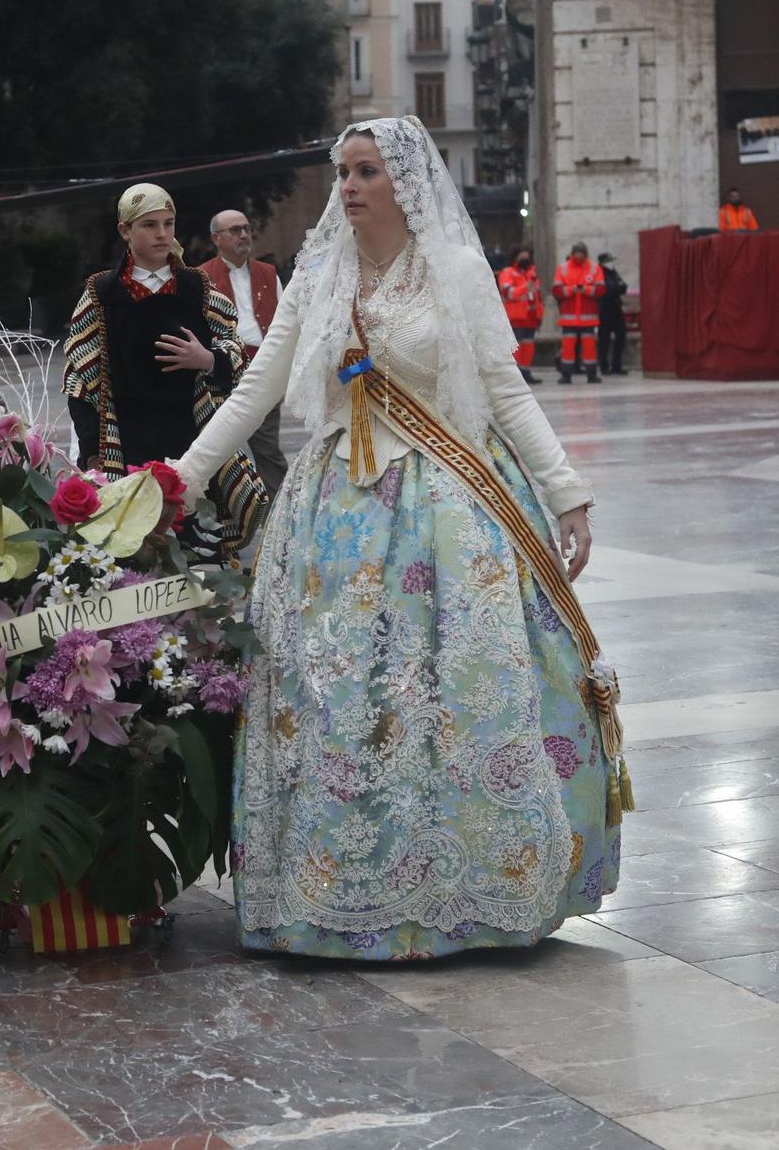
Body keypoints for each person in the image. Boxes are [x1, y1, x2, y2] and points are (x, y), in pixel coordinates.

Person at [170, 116, 625, 962]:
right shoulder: (317, 275)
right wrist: (181, 478)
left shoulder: (454, 268)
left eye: (366, 171)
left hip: (451, 508)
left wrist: (568, 494)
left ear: (404, 181)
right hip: (333, 515)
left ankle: (471, 891)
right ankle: (339, 890)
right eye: (342, 171)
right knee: (342, 700)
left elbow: (506, 389)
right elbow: (256, 389)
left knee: (456, 691)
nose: (348, 187)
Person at [64, 183, 264, 552]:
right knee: (131, 553)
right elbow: (79, 380)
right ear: (125, 230)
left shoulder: (196, 288)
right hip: (125, 444)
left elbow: (234, 351)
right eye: (149, 225)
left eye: (168, 223)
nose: (162, 234)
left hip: (192, 439)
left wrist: (206, 359)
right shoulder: (101, 294)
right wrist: (92, 451)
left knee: (199, 550)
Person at [200, 208, 287, 496]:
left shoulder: (269, 272)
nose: (244, 235)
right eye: (235, 230)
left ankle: (281, 515)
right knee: (220, 451)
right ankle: (223, 518)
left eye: (247, 228)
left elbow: (286, 322)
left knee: (269, 452)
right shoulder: (200, 277)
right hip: (220, 372)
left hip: (263, 368)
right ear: (216, 238)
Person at [550, 242, 605, 385]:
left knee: (589, 349)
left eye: (581, 254)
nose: (579, 257)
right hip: (569, 317)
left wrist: (585, 290)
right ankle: (566, 375)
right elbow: (556, 290)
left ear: (585, 254)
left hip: (588, 317)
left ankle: (591, 374)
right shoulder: (562, 269)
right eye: (577, 254)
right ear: (572, 254)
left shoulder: (594, 268)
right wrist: (572, 290)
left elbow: (601, 290)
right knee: (568, 348)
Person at [497, 246, 543, 385]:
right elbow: (508, 293)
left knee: (528, 347)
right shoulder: (508, 272)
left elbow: (537, 295)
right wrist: (526, 287)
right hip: (515, 317)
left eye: (527, 257)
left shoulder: (531, 273)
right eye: (522, 256)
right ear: (515, 257)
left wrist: (540, 314)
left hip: (531, 317)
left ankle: (525, 372)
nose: (525, 259)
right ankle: (513, 376)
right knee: (516, 348)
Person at [596, 253, 630, 376]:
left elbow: (624, 286)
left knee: (621, 335)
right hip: (604, 309)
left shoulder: (613, 272)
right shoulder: (599, 273)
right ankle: (604, 366)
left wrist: (616, 288)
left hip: (616, 308)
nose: (611, 263)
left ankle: (616, 365)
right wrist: (617, 288)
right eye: (609, 261)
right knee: (604, 339)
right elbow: (607, 291)